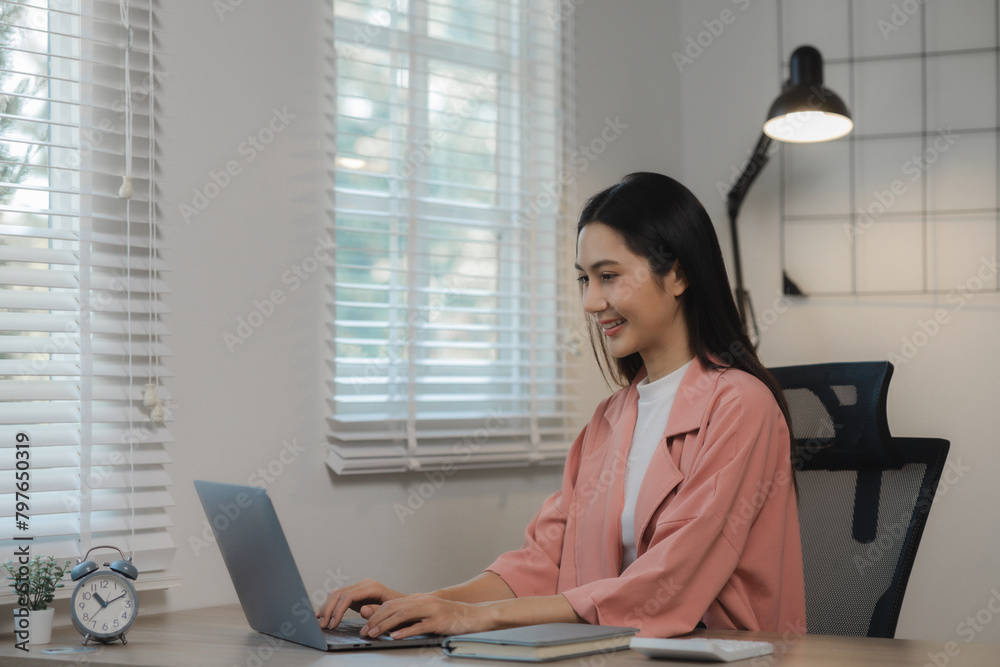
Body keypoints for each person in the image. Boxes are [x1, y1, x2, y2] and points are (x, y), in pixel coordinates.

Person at [317, 172, 806, 639]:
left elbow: (668, 583)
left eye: (608, 276)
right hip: (616, 653)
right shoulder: (609, 420)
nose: (591, 302)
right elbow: (542, 563)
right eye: (584, 280)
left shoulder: (741, 406)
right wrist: (422, 603)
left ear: (677, 274)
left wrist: (473, 618)